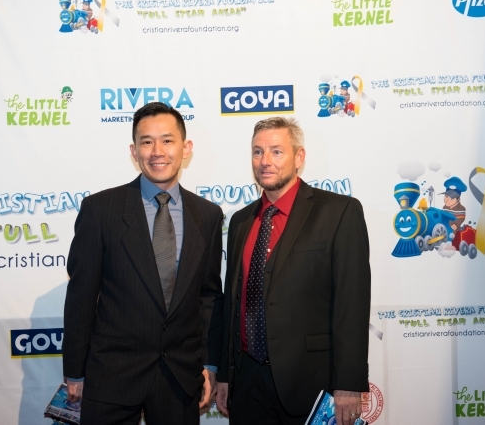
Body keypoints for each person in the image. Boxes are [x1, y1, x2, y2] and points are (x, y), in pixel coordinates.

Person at [63, 102, 224, 425]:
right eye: (147, 142)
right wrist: (75, 372)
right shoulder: (101, 210)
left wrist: (209, 365)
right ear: (134, 151)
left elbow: (208, 297)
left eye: (167, 140)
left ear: (186, 148)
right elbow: (81, 297)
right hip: (112, 375)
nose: (157, 151)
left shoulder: (207, 215)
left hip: (180, 378)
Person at [215, 117, 371, 425]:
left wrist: (349, 382)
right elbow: (232, 305)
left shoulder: (339, 212)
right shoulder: (240, 221)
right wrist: (225, 374)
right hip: (246, 384)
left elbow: (351, 303)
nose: (265, 161)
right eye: (257, 151)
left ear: (299, 157)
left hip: (310, 383)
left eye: (276, 151)